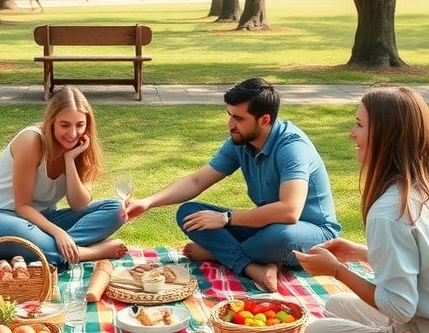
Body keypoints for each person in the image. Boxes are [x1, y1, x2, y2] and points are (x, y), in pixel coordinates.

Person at [126, 78, 340, 291]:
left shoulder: (292, 147)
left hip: (313, 233)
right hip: (265, 228)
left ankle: (219, 253)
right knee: (190, 213)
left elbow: (289, 212)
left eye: (238, 118)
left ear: (264, 119)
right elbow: (197, 180)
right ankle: (254, 266)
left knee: (279, 236)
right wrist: (148, 202)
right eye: (229, 115)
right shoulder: (240, 141)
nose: (230, 125)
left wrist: (225, 218)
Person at [295, 87, 429, 333]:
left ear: (387, 136)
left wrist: (336, 271)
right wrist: (362, 253)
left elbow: (399, 307)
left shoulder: (389, 210)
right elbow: (426, 264)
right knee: (335, 305)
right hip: (428, 319)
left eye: (360, 125)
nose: (352, 133)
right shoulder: (428, 188)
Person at [0, 86, 128, 268]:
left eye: (80, 125)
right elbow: (23, 206)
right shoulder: (31, 141)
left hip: (39, 220)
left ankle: (54, 250)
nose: (73, 133)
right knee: (30, 234)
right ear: (51, 121)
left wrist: (70, 160)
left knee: (117, 210)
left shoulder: (79, 147)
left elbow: (79, 205)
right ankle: (85, 252)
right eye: (65, 125)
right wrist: (58, 233)